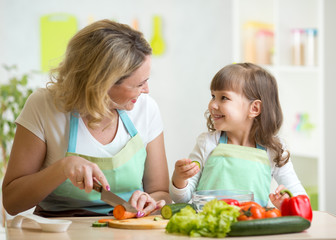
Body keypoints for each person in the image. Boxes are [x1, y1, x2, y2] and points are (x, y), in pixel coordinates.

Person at [2, 19, 171, 217]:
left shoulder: (146, 108)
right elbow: (12, 202)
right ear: (103, 83)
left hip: (127, 229)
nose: (146, 90)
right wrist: (63, 168)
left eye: (146, 81)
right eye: (139, 84)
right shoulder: (44, 106)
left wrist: (151, 202)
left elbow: (161, 194)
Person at [170, 63, 307, 208]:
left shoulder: (274, 149)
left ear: (254, 108)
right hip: (210, 228)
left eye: (223, 98)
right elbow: (182, 199)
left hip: (251, 227)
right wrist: (179, 178)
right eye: (213, 96)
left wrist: (286, 200)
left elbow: (300, 197)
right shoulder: (207, 142)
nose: (212, 105)